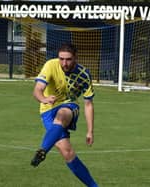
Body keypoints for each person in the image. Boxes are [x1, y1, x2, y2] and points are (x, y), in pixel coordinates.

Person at [30, 43, 98, 187]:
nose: (64, 63)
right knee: (67, 153)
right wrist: (44, 99)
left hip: (69, 105)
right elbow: (37, 90)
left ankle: (42, 150)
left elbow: (88, 104)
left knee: (62, 115)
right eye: (61, 59)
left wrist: (90, 131)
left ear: (75, 58)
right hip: (47, 109)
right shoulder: (50, 65)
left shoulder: (83, 75)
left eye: (68, 59)